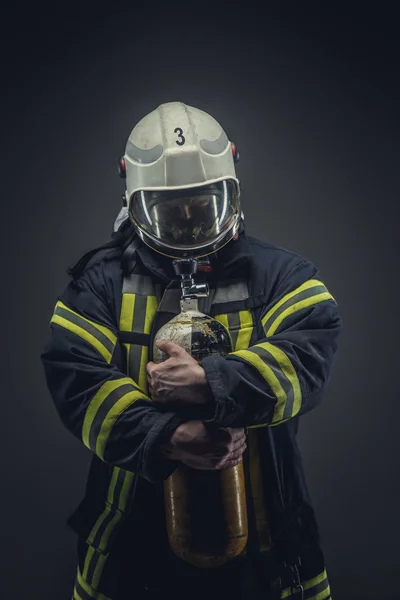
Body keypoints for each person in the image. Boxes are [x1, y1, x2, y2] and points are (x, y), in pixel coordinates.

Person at [41, 101, 342, 600]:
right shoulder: (100, 283)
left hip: (266, 549)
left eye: (203, 200)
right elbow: (75, 377)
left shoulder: (282, 276)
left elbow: (311, 353)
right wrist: (167, 435)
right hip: (131, 549)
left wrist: (211, 381)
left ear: (230, 192)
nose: (187, 216)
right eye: (167, 205)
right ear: (135, 202)